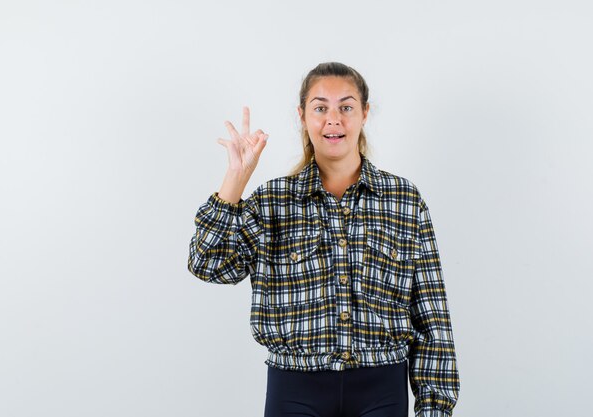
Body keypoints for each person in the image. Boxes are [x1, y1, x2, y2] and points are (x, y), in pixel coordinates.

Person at [187, 62, 460, 417]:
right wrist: (236, 179)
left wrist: (435, 407)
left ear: (365, 113)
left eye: (346, 107)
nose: (334, 119)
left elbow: (431, 315)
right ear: (302, 116)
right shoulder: (272, 201)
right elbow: (208, 265)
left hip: (383, 388)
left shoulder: (403, 199)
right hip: (295, 390)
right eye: (321, 108)